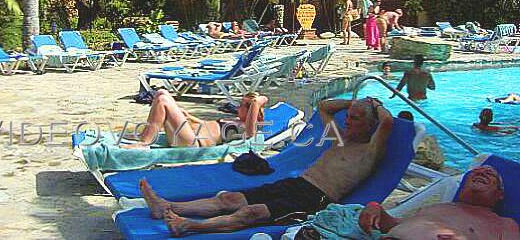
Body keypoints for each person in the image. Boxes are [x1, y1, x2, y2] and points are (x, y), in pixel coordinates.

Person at [139, 97, 394, 236]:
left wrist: (375, 105)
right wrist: (355, 104)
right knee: (230, 198)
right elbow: (324, 107)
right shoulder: (339, 137)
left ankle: (186, 225)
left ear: (371, 126)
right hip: (296, 183)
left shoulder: (370, 151)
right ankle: (166, 207)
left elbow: (388, 123)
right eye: (348, 116)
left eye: (355, 119)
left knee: (251, 214)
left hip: (316, 198)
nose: (348, 121)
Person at [358, 165, 519, 239]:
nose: (482, 172)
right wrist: (376, 209)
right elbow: (393, 225)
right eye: (476, 173)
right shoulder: (439, 206)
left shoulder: (504, 224)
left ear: (500, 194)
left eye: (489, 175)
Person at [123, 90, 267, 148]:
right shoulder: (235, 120)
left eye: (243, 105)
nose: (238, 107)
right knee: (162, 93)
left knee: (163, 102)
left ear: (251, 112)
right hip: (187, 132)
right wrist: (189, 117)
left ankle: (144, 141)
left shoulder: (246, 129)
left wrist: (258, 102)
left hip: (192, 141)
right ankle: (145, 135)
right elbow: (206, 125)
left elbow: (250, 134)